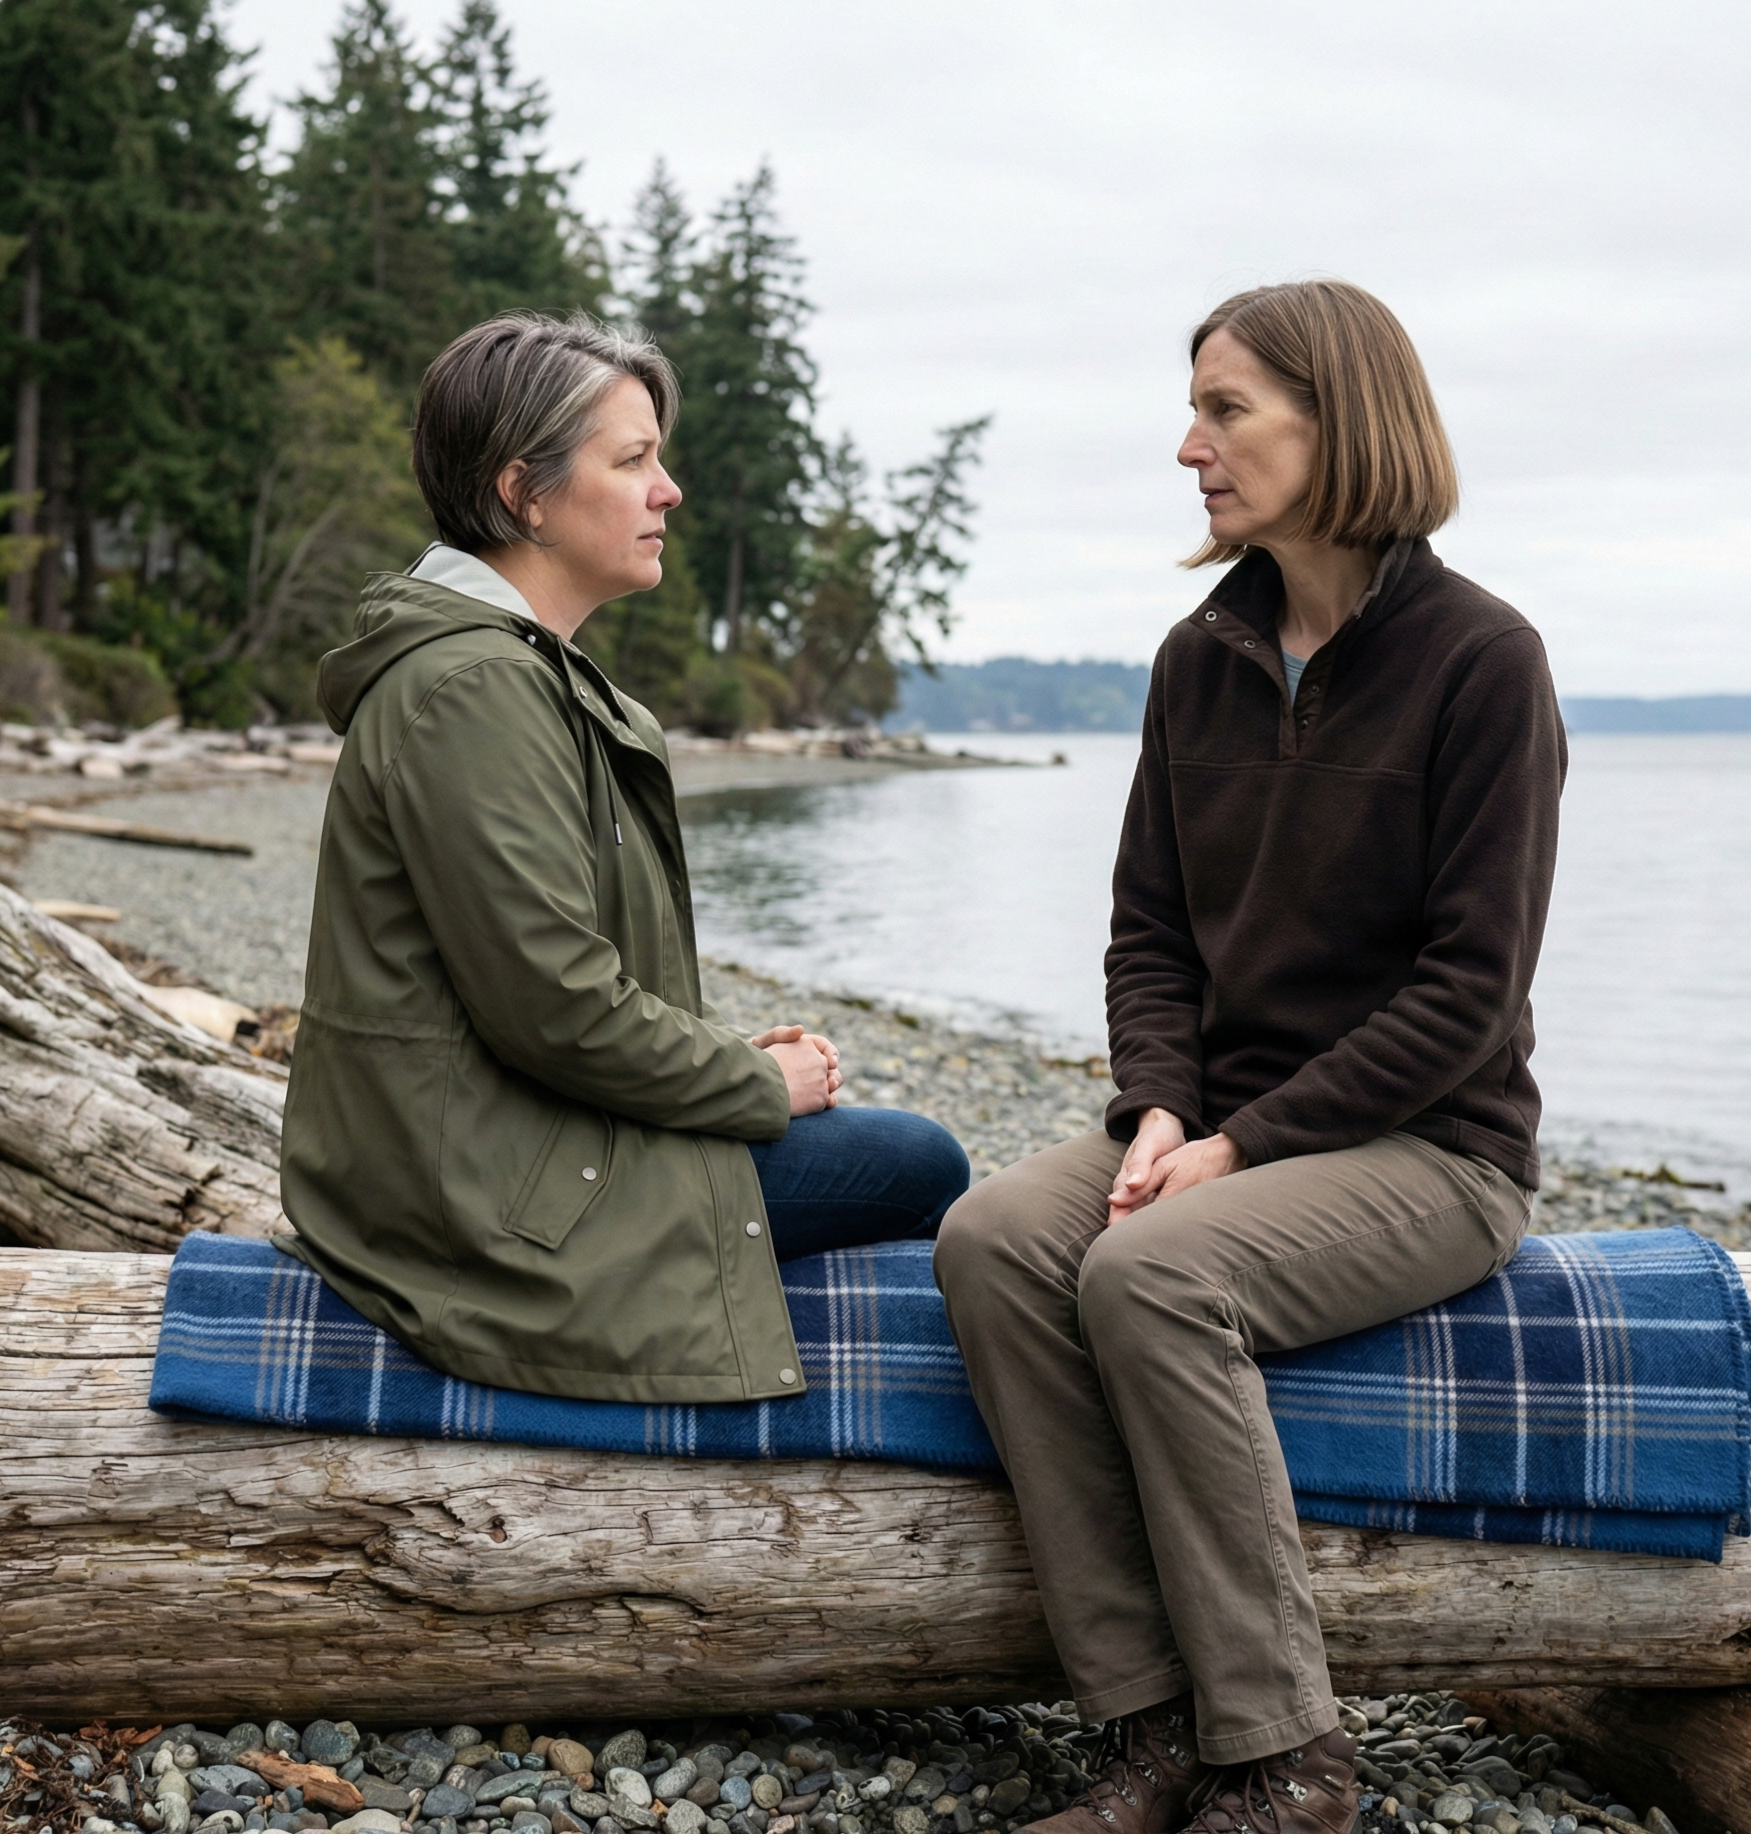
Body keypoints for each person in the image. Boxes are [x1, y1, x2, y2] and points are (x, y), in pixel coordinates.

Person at [934, 281, 1565, 1834]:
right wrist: (1159, 1104)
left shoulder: (1483, 662)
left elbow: (1469, 993)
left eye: (1225, 410)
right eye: (1194, 408)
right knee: (996, 1237)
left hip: (1432, 1146)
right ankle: (1148, 1728)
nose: (1188, 445)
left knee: (1150, 1273)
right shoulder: (1197, 655)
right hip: (1220, 1117)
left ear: (1336, 419)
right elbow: (1148, 930)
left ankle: (1287, 1755)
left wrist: (1234, 1148)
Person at [277, 310, 968, 1402]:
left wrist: (714, 1049)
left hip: (502, 1143)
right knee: (916, 1161)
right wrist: (750, 1082)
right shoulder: (474, 690)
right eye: (633, 459)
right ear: (524, 494)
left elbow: (530, 981)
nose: (668, 490)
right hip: (482, 1196)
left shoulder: (520, 675)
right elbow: (552, 1002)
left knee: (886, 1153)